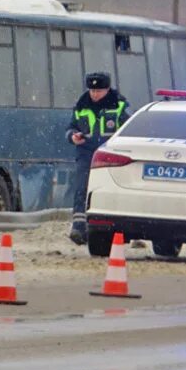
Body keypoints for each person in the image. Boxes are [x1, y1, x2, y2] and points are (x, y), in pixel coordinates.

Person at [66, 72, 130, 245]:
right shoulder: (81, 105)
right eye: (92, 90)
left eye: (99, 91)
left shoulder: (119, 105)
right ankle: (79, 228)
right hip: (85, 153)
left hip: (111, 155)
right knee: (82, 188)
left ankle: (117, 230)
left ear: (107, 89)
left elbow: (127, 129)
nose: (94, 94)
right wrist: (72, 136)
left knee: (111, 190)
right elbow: (70, 127)